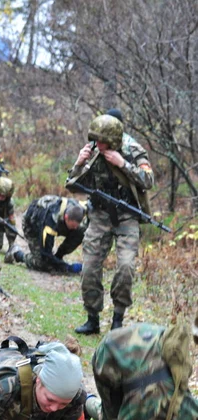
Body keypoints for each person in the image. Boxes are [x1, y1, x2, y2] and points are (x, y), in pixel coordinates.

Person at [67, 114, 154, 334]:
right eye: (97, 140)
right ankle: (92, 318)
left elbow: (148, 180)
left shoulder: (133, 150)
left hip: (127, 215)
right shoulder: (93, 149)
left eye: (104, 141)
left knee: (125, 267)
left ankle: (118, 319)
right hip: (99, 215)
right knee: (89, 268)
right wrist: (79, 163)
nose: (100, 144)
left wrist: (123, 164)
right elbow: (72, 186)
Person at [85, 321, 198, 420]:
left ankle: (87, 402)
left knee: (120, 416)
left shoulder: (187, 403)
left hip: (147, 337)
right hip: (108, 355)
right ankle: (86, 402)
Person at [6, 196, 85, 273]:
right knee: (42, 263)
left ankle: (58, 256)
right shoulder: (50, 220)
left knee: (80, 232)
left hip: (57, 224)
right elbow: (46, 254)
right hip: (32, 224)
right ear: (66, 217)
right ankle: (16, 253)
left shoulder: (80, 209)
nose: (75, 228)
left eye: (76, 225)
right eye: (73, 226)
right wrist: (67, 267)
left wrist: (57, 260)